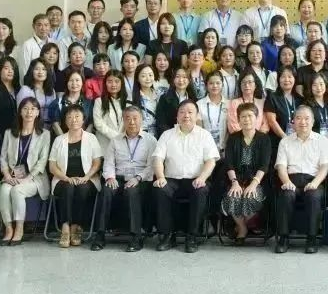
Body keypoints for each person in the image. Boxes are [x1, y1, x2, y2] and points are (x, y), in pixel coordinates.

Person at [151, 100, 219, 253]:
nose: (186, 115)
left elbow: (211, 161)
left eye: (190, 112)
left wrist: (202, 178)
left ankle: (192, 236)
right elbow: (158, 159)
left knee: (200, 191)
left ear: (197, 116)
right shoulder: (167, 135)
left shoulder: (204, 135)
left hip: (196, 179)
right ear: (177, 116)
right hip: (171, 179)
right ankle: (167, 236)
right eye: (182, 112)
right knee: (160, 190)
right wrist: (160, 177)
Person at [94, 105, 157, 252]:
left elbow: (152, 166)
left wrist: (138, 178)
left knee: (132, 192)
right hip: (119, 178)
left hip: (141, 180)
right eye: (128, 118)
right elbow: (109, 163)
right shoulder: (115, 140)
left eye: (135, 118)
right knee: (106, 191)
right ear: (123, 120)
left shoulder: (151, 140)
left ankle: (136, 236)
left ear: (141, 120)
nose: (132, 122)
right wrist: (110, 177)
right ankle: (100, 235)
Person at [274, 106, 328, 254]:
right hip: (291, 179)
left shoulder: (322, 141)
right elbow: (281, 167)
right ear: (293, 122)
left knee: (313, 196)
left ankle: (312, 238)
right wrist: (286, 182)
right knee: (286, 195)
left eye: (307, 118)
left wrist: (315, 183)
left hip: (314, 180)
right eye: (299, 118)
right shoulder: (285, 142)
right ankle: (284, 237)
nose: (303, 122)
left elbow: (324, 167)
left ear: (313, 121)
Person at [0, 98, 51, 247]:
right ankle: (9, 229)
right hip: (12, 176)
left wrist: (27, 178)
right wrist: (7, 175)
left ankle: (19, 229)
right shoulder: (9, 133)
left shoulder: (44, 134)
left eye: (33, 109)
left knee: (17, 191)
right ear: (20, 111)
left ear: (38, 113)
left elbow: (42, 161)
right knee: (4, 190)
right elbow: (3, 157)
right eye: (25, 108)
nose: (29, 112)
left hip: (34, 178)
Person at [48, 105, 103, 248]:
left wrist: (86, 177)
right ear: (65, 121)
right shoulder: (59, 140)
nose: (74, 120)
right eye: (70, 117)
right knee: (68, 188)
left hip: (88, 179)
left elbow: (97, 162)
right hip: (62, 179)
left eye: (77, 116)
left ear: (83, 119)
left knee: (82, 188)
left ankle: (75, 227)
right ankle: (65, 227)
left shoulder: (91, 138)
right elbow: (52, 166)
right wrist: (66, 178)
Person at [222, 103, 272, 244]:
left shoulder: (264, 139)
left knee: (251, 198)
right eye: (243, 116)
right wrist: (234, 183)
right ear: (238, 120)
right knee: (232, 198)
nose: (247, 119)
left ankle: (245, 225)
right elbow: (229, 163)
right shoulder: (233, 138)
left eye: (250, 116)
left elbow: (264, 165)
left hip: (258, 180)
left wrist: (254, 184)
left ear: (256, 118)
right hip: (236, 179)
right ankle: (243, 228)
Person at [265, 65, 302, 145]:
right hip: (278, 142)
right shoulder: (272, 97)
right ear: (278, 79)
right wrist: (285, 138)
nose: (286, 80)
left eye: (290, 77)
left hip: (298, 142)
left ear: (295, 79)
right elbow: (272, 121)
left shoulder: (300, 99)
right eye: (283, 77)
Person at [92, 72, 128, 153]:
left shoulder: (128, 101)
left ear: (122, 83)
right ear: (105, 84)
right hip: (105, 144)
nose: (113, 84)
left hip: (124, 143)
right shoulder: (99, 101)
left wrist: (123, 137)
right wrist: (117, 137)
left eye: (117, 81)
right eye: (110, 81)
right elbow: (98, 123)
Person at [197, 72, 230, 152]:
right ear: (206, 86)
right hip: (206, 150)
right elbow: (199, 129)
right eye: (211, 83)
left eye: (218, 83)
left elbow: (230, 129)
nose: (215, 86)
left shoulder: (229, 104)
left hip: (225, 150)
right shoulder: (199, 104)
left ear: (222, 85)